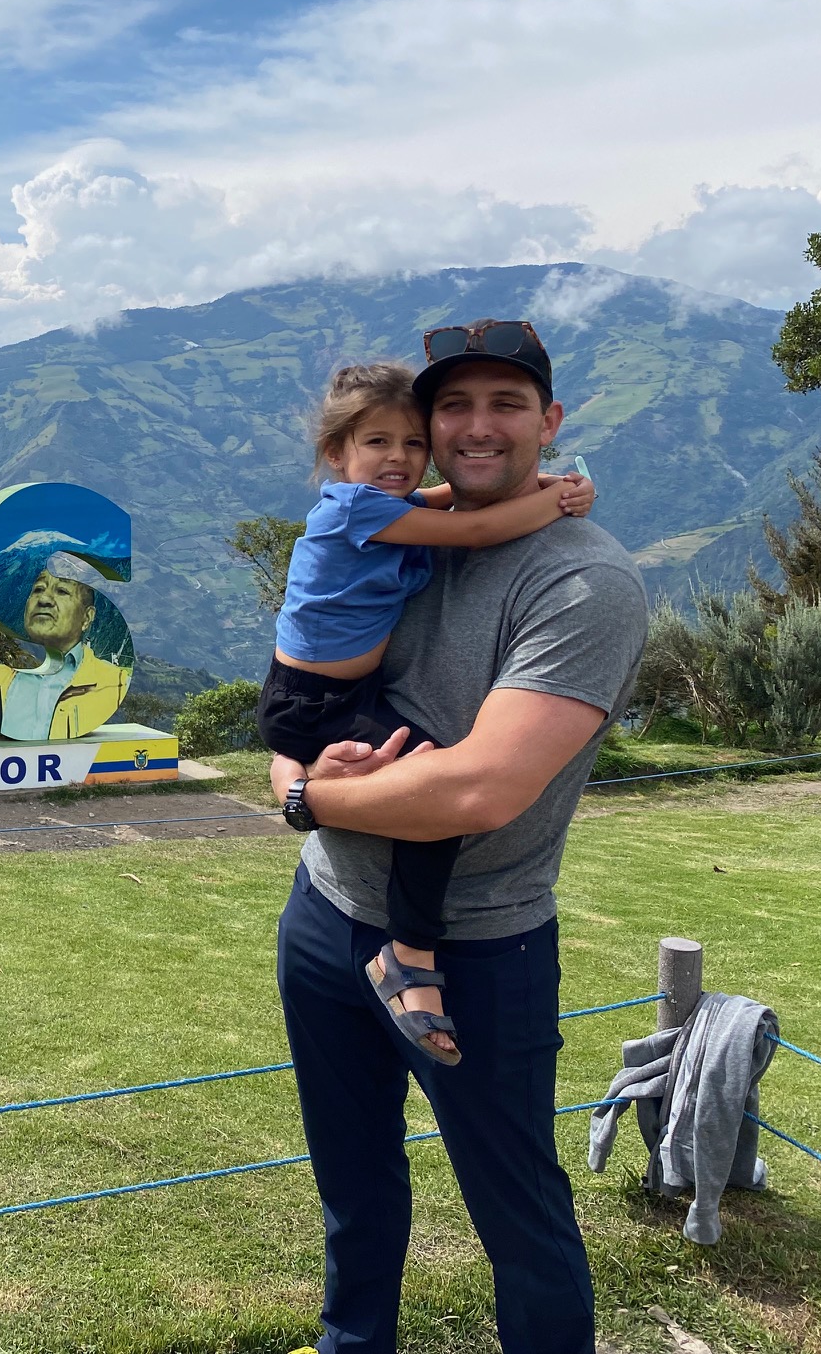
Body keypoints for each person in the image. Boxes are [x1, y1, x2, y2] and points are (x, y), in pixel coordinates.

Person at [268, 320, 647, 1354]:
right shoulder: (406, 525)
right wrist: (296, 777)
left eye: (507, 404)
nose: (478, 428)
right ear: (427, 431)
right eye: (456, 408)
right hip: (326, 912)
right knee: (352, 1183)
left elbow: (477, 792)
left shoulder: (584, 582)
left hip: (480, 943)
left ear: (550, 421)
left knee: (516, 1211)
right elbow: (316, 678)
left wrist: (302, 796)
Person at [258, 361, 594, 1062]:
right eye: (378, 443)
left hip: (327, 696)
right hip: (312, 703)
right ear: (336, 455)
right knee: (431, 795)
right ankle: (407, 954)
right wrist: (557, 496)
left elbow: (441, 499)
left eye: (413, 444)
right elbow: (473, 530)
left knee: (418, 782)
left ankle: (392, 926)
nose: (400, 459)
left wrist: (534, 485)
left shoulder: (381, 503)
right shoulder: (356, 507)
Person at [0, 569, 128, 738]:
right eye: (38, 589)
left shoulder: (115, 683)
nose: (44, 599)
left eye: (62, 591)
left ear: (86, 618)